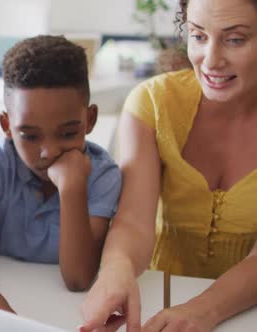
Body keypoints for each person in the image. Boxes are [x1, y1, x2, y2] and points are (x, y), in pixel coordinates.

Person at [81, 0, 257, 331]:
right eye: (198, 35)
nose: (211, 59)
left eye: (235, 39)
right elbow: (133, 221)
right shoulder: (152, 103)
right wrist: (115, 271)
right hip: (159, 294)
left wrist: (203, 310)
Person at [0, 35, 122, 312]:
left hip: (65, 308)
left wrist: (71, 187)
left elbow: (78, 278)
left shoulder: (103, 175)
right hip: (5, 298)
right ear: (7, 125)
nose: (49, 151)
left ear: (90, 120)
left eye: (68, 133)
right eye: (30, 135)